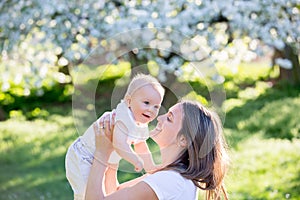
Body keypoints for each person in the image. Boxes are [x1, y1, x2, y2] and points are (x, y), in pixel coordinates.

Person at [85, 100, 230, 200]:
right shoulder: (170, 176)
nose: (159, 118)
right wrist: (114, 150)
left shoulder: (169, 181)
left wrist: (101, 153)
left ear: (183, 140)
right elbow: (114, 193)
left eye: (169, 118)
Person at [65, 74, 165, 200]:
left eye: (156, 107)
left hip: (104, 158)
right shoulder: (123, 117)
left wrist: (150, 166)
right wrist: (135, 160)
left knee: (107, 192)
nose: (151, 110)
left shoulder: (141, 122)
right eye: (146, 103)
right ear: (129, 101)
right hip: (84, 156)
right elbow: (119, 144)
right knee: (86, 192)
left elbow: (141, 146)